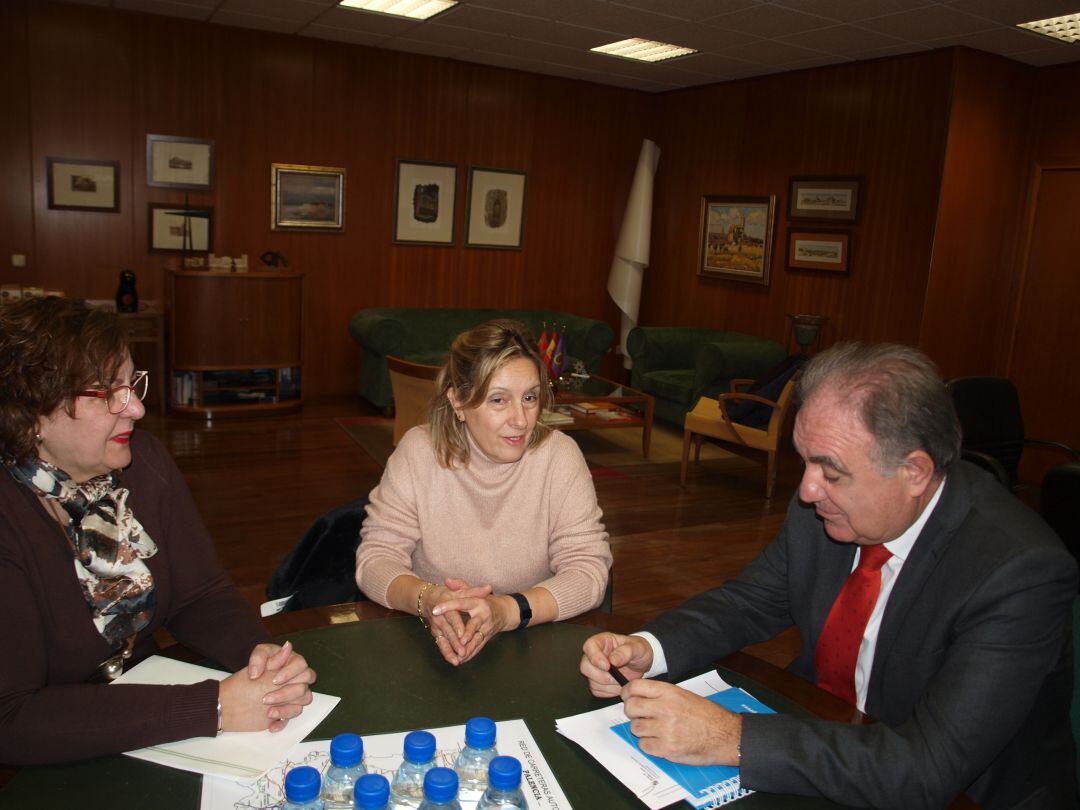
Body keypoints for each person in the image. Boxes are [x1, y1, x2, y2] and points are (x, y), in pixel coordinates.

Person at [580, 342, 1077, 809]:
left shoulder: (1018, 572)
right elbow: (750, 601)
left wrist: (730, 737)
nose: (807, 491)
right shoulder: (832, 509)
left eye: (831, 471)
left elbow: (929, 768)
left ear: (915, 472)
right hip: (824, 738)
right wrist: (650, 647)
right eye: (805, 461)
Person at [0, 297, 317, 765]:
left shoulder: (142, 461)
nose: (137, 408)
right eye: (108, 392)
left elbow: (199, 594)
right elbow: (11, 719)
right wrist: (212, 707)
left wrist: (262, 657)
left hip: (148, 718)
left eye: (132, 384)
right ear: (30, 414)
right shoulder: (10, 516)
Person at [357, 319, 611, 666]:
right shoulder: (418, 451)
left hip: (531, 644)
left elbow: (589, 573)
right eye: (498, 400)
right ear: (458, 401)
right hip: (430, 642)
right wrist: (429, 599)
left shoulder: (558, 457)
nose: (521, 420)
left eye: (530, 397)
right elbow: (375, 560)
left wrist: (506, 610)